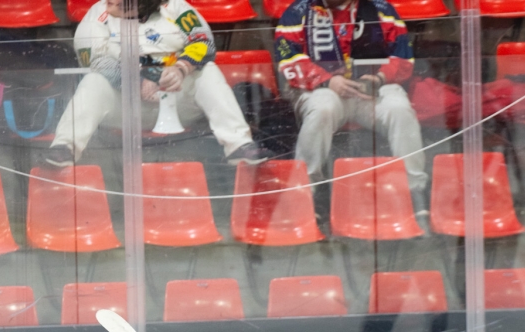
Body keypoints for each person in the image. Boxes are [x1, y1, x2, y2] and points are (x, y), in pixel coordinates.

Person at [46, 0, 266, 168]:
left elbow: (204, 42)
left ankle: (239, 145)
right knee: (94, 81)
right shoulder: (98, 13)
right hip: (124, 105)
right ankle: (65, 147)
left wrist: (182, 68)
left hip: (176, 99)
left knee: (207, 72)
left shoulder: (175, 7)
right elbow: (94, 60)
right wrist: (136, 82)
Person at [274, 0, 428, 223]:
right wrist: (326, 81)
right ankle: (306, 192)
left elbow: (403, 58)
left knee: (400, 110)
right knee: (323, 109)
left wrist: (380, 78)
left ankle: (415, 192)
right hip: (322, 90)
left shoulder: (380, 9)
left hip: (372, 90)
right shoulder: (298, 13)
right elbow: (287, 58)